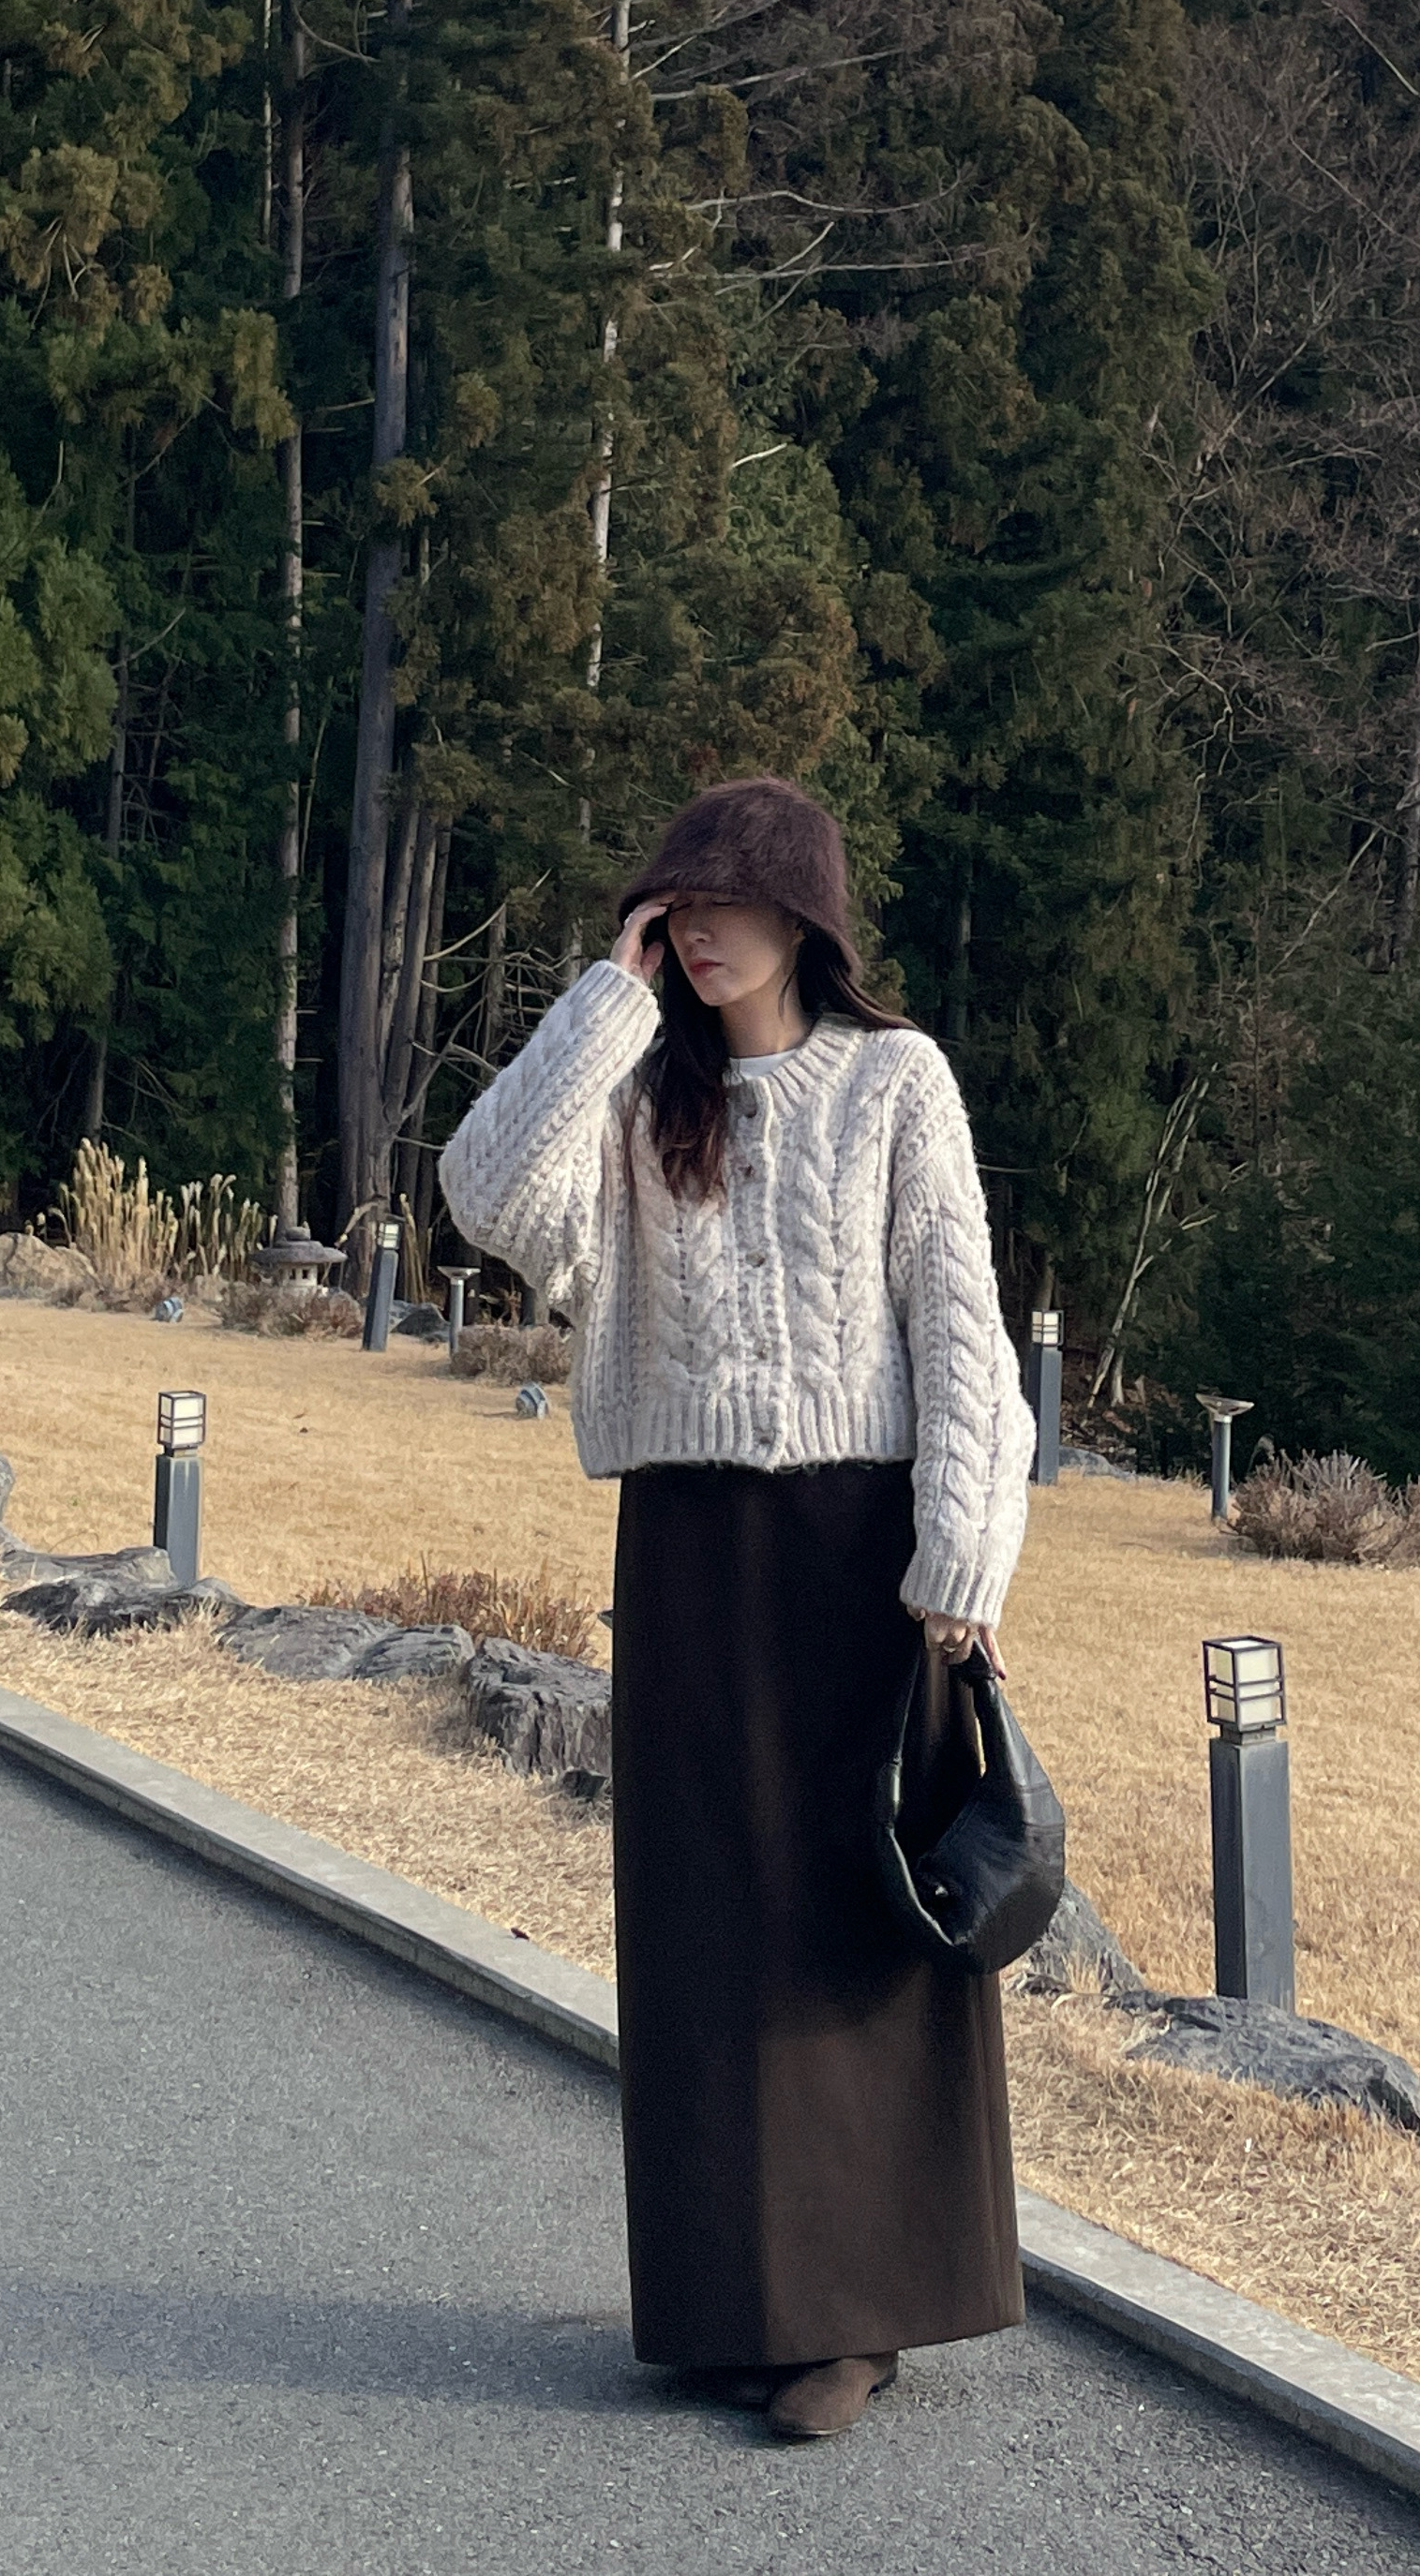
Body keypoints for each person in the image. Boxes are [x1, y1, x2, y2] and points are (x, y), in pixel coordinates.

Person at [439, 773, 1035, 2444]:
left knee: (854, 1914)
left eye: (725, 904)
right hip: (689, 1544)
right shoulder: (640, 1097)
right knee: (706, 1917)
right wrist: (608, 999)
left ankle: (856, 2317)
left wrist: (962, 1557)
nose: (698, 930)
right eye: (673, 907)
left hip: (861, 1545)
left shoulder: (897, 1082)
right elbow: (485, 1195)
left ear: (804, 917)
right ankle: (728, 2303)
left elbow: (960, 1321)